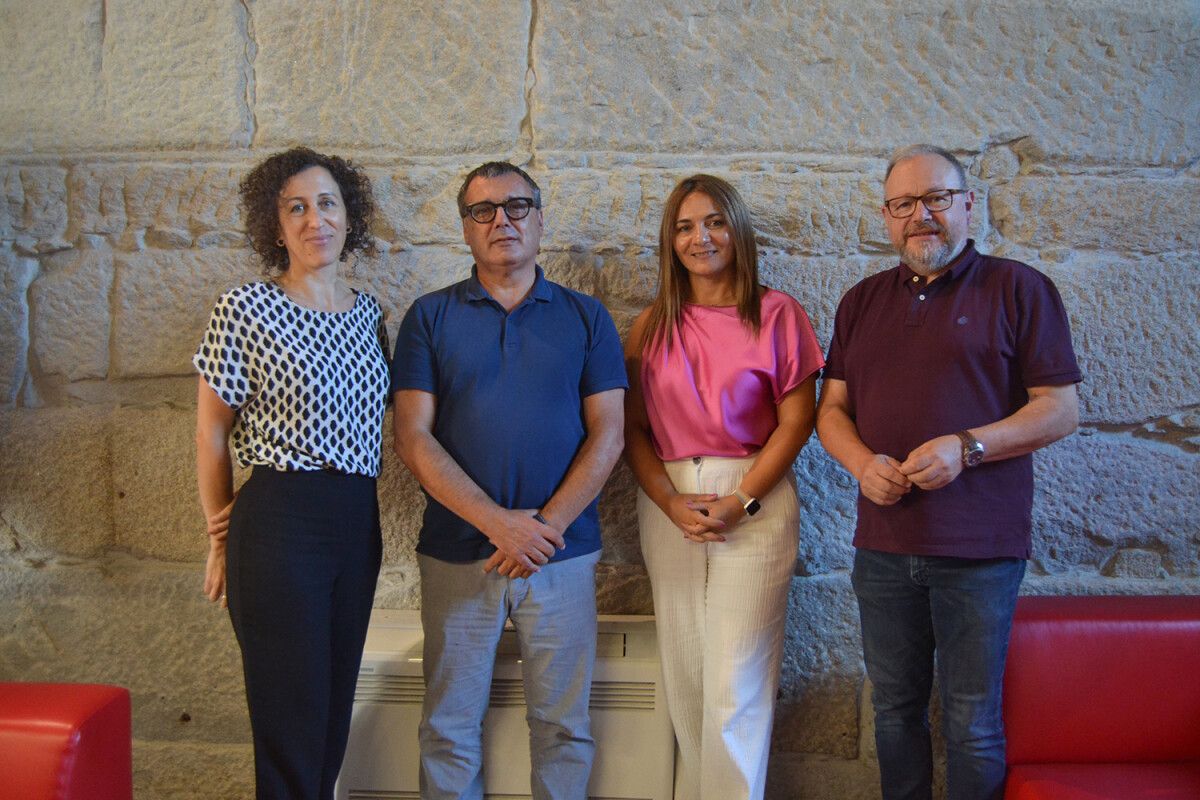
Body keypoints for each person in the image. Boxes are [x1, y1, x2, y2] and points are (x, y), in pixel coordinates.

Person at [815, 144, 1081, 800]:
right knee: (894, 714)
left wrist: (967, 446)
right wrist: (860, 463)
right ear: (886, 216)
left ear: (967, 204)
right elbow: (831, 412)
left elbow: (1060, 410)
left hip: (980, 551)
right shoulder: (861, 301)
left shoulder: (1020, 289)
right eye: (905, 203)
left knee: (972, 724)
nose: (921, 215)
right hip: (882, 549)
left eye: (936, 198)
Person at [390, 161, 627, 800]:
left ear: (540, 219)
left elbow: (609, 435)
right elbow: (413, 436)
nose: (502, 221)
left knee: (562, 728)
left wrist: (541, 529)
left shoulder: (586, 318)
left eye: (517, 207)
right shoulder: (429, 317)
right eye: (483, 211)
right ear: (465, 229)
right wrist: (499, 524)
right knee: (447, 727)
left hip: (561, 554)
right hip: (458, 552)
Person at [193, 147, 389, 800]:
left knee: (331, 723)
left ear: (348, 216)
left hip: (357, 524)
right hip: (279, 524)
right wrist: (220, 539)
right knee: (291, 725)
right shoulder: (244, 309)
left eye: (327, 203)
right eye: (296, 208)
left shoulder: (369, 316)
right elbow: (211, 431)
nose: (314, 220)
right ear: (275, 226)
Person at [624, 174, 824, 800]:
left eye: (713, 221)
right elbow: (631, 431)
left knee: (736, 681)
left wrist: (742, 499)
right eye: (684, 226)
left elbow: (798, 421)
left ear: (737, 229)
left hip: (754, 496)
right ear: (669, 241)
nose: (700, 237)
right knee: (685, 674)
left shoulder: (777, 313)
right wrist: (668, 500)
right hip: (671, 499)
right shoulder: (651, 324)